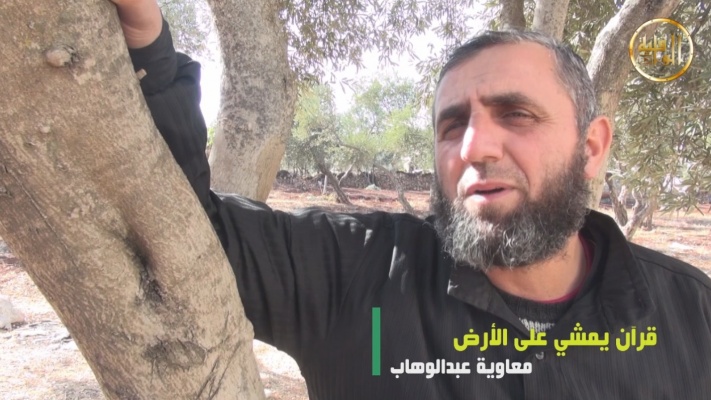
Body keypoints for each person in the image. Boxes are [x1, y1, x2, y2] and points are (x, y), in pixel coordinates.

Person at [113, 1, 711, 398]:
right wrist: (147, 47)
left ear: (591, 146)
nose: (473, 147)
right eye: (453, 125)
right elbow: (187, 232)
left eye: (516, 114)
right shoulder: (355, 274)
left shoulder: (693, 316)